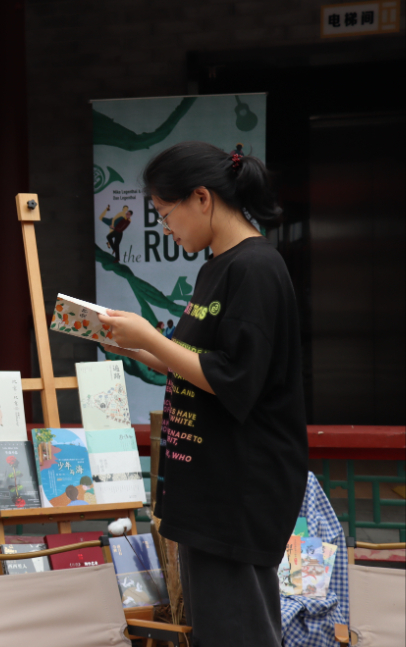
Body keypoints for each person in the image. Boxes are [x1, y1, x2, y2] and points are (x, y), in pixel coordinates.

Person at [98, 141, 308, 647]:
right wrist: (137, 346)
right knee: (218, 630)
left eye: (165, 213)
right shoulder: (216, 266)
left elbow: (235, 379)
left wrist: (151, 339)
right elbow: (198, 363)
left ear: (202, 198)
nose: (166, 227)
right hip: (209, 483)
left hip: (239, 489)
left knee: (238, 633)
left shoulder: (255, 267)